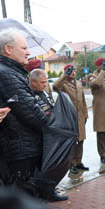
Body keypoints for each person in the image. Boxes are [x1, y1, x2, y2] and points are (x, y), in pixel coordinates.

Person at [0, 28, 49, 193]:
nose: (28, 52)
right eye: (23, 48)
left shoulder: (11, 73)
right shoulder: (5, 75)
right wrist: (53, 124)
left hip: (21, 151)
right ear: (8, 49)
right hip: (20, 154)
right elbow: (34, 115)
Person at [29, 69, 68, 202]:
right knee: (40, 168)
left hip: (51, 135)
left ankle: (49, 191)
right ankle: (41, 194)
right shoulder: (29, 95)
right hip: (39, 137)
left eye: (46, 82)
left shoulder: (44, 92)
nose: (45, 85)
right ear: (32, 81)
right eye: (42, 82)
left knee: (51, 167)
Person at [53, 64, 89, 174]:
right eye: (71, 71)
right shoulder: (63, 84)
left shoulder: (78, 83)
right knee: (73, 142)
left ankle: (79, 162)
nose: (73, 72)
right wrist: (65, 75)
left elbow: (82, 99)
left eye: (74, 70)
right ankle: (71, 164)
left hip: (80, 116)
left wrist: (85, 114)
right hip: (70, 117)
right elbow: (55, 87)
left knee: (81, 140)